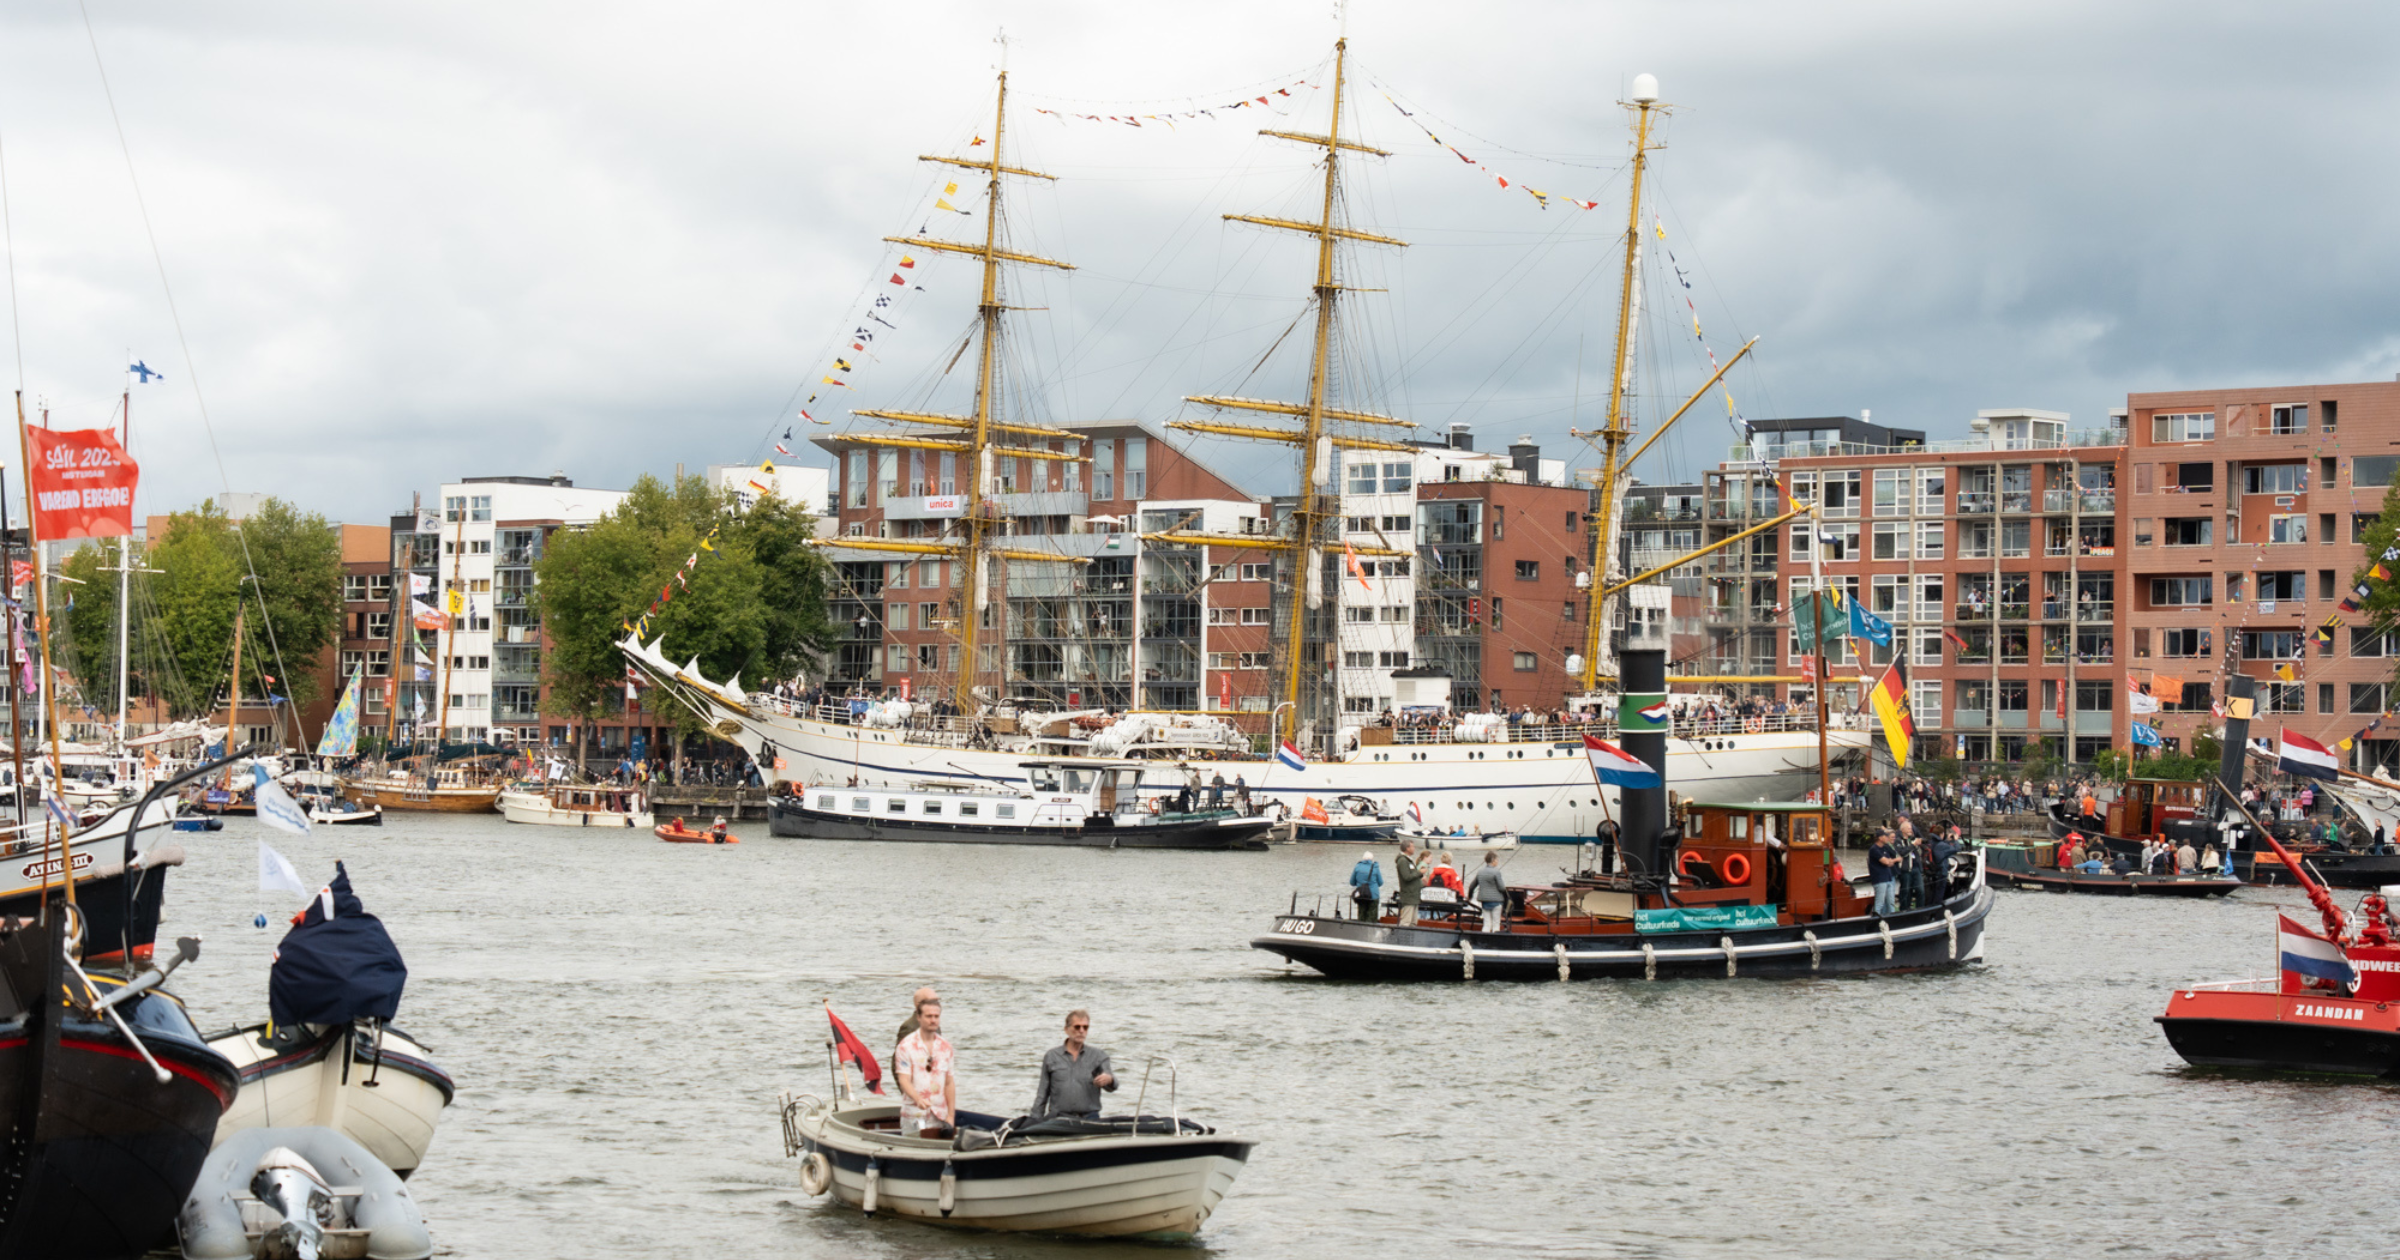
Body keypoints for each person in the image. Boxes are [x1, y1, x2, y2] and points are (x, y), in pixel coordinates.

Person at [1029, 1009, 1116, 1121]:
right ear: (1066, 1030)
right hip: (1059, 1119)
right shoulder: (1052, 1056)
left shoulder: (1098, 1056)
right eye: (1077, 1027)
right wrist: (1034, 1121)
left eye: (1085, 1027)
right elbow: (1042, 1093)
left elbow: (1113, 1086)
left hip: (1090, 1119)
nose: (1081, 1031)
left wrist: (1109, 1079)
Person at [895, 995, 956, 1138]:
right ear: (919, 1017)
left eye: (936, 1016)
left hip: (939, 1115)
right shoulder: (905, 1046)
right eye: (929, 1016)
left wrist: (951, 1116)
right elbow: (903, 1079)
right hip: (914, 1114)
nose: (933, 1020)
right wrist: (918, 1099)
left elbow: (949, 1083)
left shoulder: (946, 1047)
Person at [1466, 850, 1508, 932]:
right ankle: (1494, 941)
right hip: (1496, 902)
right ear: (1493, 860)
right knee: (1496, 924)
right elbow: (1502, 888)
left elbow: (1471, 886)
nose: (1497, 861)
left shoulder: (1480, 872)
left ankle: (1484, 940)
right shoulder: (1496, 872)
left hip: (1484, 902)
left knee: (1487, 924)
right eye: (1497, 860)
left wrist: (1470, 897)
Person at [1393, 840, 1428, 927]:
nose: (1414, 848)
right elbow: (1406, 877)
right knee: (1406, 922)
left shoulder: (1408, 860)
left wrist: (1422, 883)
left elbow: (1412, 877)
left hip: (1414, 896)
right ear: (1407, 848)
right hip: (1408, 896)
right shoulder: (1403, 861)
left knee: (1413, 923)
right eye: (1412, 846)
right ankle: (1401, 939)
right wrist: (1419, 872)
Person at [1869, 830, 1900, 917]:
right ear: (1880, 838)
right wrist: (1894, 860)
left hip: (1888, 877)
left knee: (1891, 901)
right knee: (1880, 902)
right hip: (1880, 879)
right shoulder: (1874, 849)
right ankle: (1876, 920)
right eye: (1885, 836)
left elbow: (1890, 863)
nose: (1887, 838)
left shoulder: (1885, 848)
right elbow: (1886, 862)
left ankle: (1892, 919)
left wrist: (1890, 861)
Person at [1349, 852, 1383, 922]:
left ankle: (1361, 929)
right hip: (1373, 895)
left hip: (1361, 895)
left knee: (1361, 915)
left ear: (1363, 859)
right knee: (1372, 917)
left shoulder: (1357, 867)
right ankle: (1371, 930)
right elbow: (1380, 883)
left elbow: (1352, 882)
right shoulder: (1375, 867)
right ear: (1372, 859)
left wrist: (1360, 883)